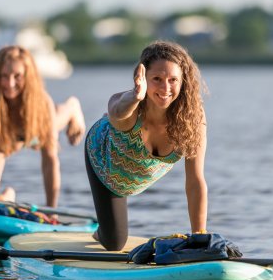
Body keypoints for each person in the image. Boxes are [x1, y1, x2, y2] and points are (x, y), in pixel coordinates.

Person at [85, 41, 208, 250]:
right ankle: (103, 231)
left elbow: (195, 181)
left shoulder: (192, 120)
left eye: (173, 80)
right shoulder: (130, 107)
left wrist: (199, 237)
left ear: (183, 81)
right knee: (115, 243)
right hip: (105, 166)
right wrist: (135, 96)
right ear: (143, 78)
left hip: (133, 178)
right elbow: (117, 111)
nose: (165, 87)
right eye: (157, 79)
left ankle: (107, 224)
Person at [0, 45, 85, 208]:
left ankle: (71, 107)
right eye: (4, 76)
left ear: (28, 76)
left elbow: (50, 160)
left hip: (29, 132)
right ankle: (6, 198)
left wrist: (52, 210)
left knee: (51, 126)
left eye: (17, 76)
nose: (10, 83)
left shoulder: (42, 102)